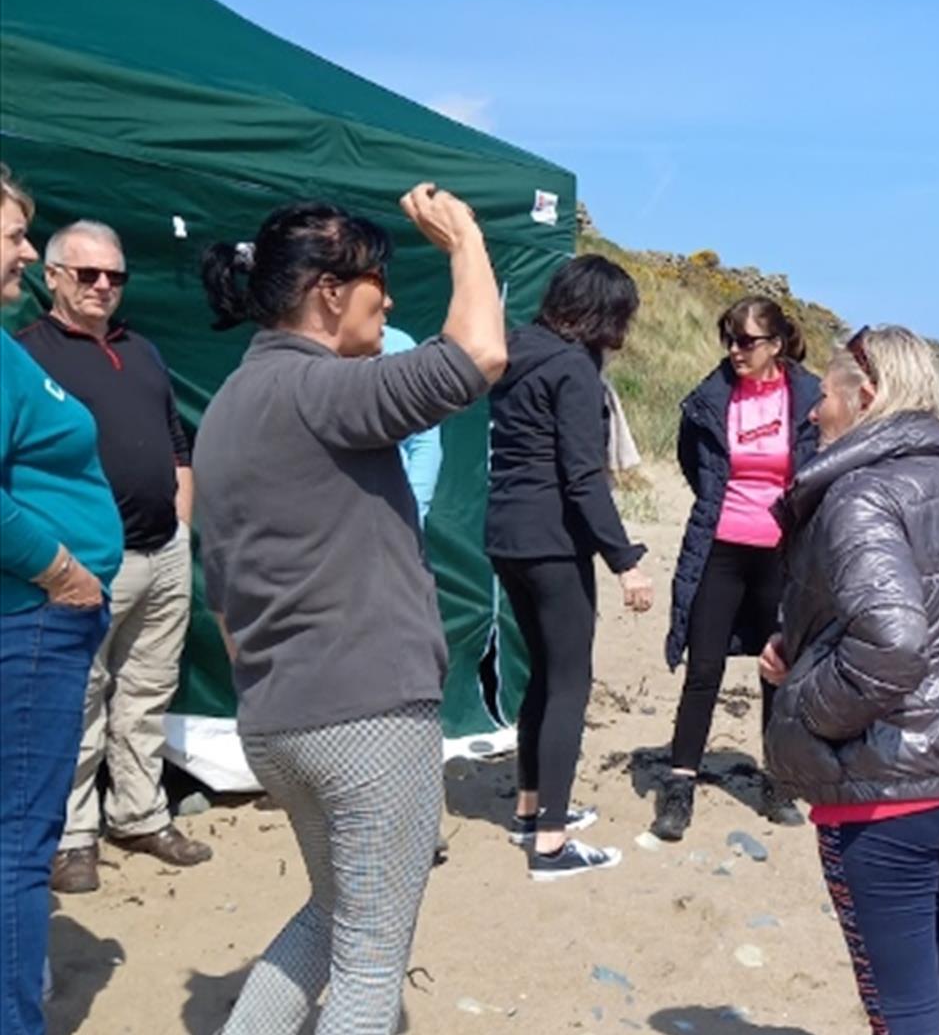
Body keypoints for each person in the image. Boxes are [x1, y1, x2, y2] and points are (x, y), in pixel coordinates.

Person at [194, 185, 506, 1033]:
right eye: (378, 282)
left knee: (330, 918)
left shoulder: (227, 409)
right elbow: (478, 354)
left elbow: (222, 597)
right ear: (329, 292)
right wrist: (464, 239)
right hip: (367, 715)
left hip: (277, 717)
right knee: (370, 968)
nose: (390, 302)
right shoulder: (320, 389)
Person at [759, 325, 939, 1035]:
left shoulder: (859, 494)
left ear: (868, 394)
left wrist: (805, 705)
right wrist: (807, 649)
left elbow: (894, 643)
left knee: (905, 1009)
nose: (813, 412)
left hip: (891, 788)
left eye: (824, 395)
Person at [15, 219, 212, 895]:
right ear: (52, 276)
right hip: (85, 567)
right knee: (78, 699)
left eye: (115, 275)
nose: (103, 285)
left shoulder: (144, 351)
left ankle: (140, 814)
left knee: (147, 693)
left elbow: (176, 442)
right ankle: (73, 837)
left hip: (163, 552)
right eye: (88, 273)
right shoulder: (26, 355)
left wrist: (181, 525)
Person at [485, 254, 655, 880]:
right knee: (569, 683)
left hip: (505, 533)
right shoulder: (573, 369)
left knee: (543, 675)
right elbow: (583, 478)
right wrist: (625, 562)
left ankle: (531, 808)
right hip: (553, 541)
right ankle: (551, 844)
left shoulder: (514, 351)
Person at [0, 166, 122, 1035]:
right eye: (12, 237)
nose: (24, 252)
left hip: (36, 618)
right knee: (19, 842)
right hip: (31, 621)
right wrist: (60, 571)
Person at [655, 296, 822, 840]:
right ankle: (679, 784)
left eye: (746, 341)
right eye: (728, 339)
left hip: (782, 552)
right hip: (720, 546)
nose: (734, 350)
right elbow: (694, 462)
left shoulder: (809, 397)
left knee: (777, 665)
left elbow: (819, 465)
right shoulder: (711, 397)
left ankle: (777, 781)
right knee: (704, 667)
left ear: (776, 344)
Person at [381, 324, 444, 530]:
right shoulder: (300, 355)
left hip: (390, 522)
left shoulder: (398, 345)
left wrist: (412, 514)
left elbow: (424, 442)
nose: (386, 307)